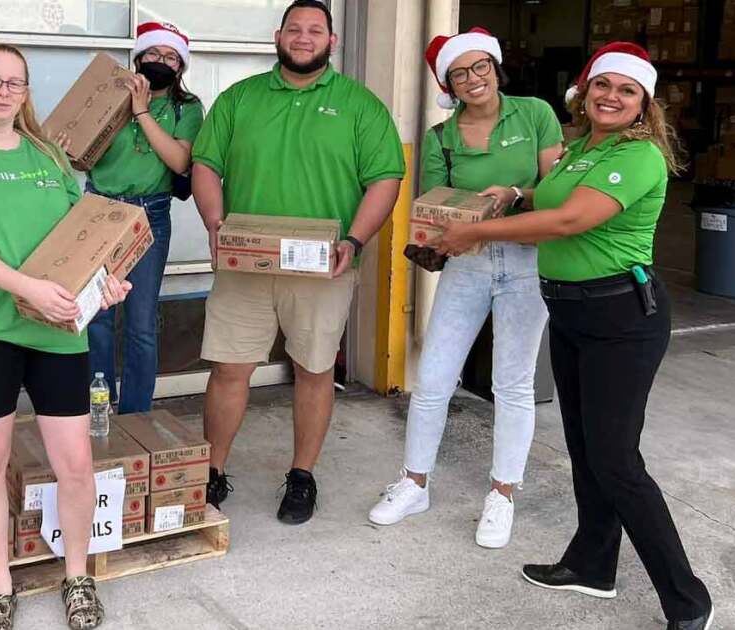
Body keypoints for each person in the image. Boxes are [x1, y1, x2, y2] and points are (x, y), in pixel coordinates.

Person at [433, 42, 714, 630]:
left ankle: (688, 600)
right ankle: (592, 565)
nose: (612, 97)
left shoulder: (639, 156)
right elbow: (554, 197)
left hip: (622, 320)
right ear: (584, 93)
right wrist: (515, 192)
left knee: (617, 461)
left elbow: (571, 219)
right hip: (571, 312)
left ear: (644, 105)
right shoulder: (584, 146)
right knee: (587, 452)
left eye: (627, 90)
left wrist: (476, 235)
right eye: (602, 86)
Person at [0, 44, 131, 630]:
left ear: (26, 92)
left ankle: (78, 576)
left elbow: (85, 241)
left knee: (77, 463)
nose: (3, 91)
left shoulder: (53, 160)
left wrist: (104, 285)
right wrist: (31, 289)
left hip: (58, 332)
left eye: (15, 83)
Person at [191, 0, 405, 524]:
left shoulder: (360, 105)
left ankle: (302, 476)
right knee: (229, 369)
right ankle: (212, 471)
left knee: (313, 370)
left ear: (332, 41)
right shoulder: (239, 99)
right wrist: (216, 227)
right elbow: (205, 164)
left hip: (323, 265)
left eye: (315, 30)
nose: (304, 37)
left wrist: (354, 241)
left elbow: (385, 181)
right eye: (294, 29)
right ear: (278, 35)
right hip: (248, 264)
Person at [367, 28, 563, 550]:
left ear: (496, 68)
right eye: (460, 73)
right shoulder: (440, 137)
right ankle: (414, 482)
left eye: (480, 67)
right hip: (468, 264)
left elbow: (557, 192)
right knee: (432, 378)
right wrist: (446, 227)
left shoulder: (535, 114)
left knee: (513, 384)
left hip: (525, 259)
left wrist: (516, 193)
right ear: (448, 84)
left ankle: (502, 494)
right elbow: (435, 202)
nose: (472, 79)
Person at [57, 22, 204, 414]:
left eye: (171, 57)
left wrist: (141, 111)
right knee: (97, 318)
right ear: (138, 57)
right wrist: (67, 147)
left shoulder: (185, 108)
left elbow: (179, 160)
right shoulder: (108, 96)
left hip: (149, 214)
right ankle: (98, 406)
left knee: (140, 324)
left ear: (181, 66)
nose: (161, 61)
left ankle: (136, 415)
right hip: (99, 209)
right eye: (153, 54)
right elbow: (80, 156)